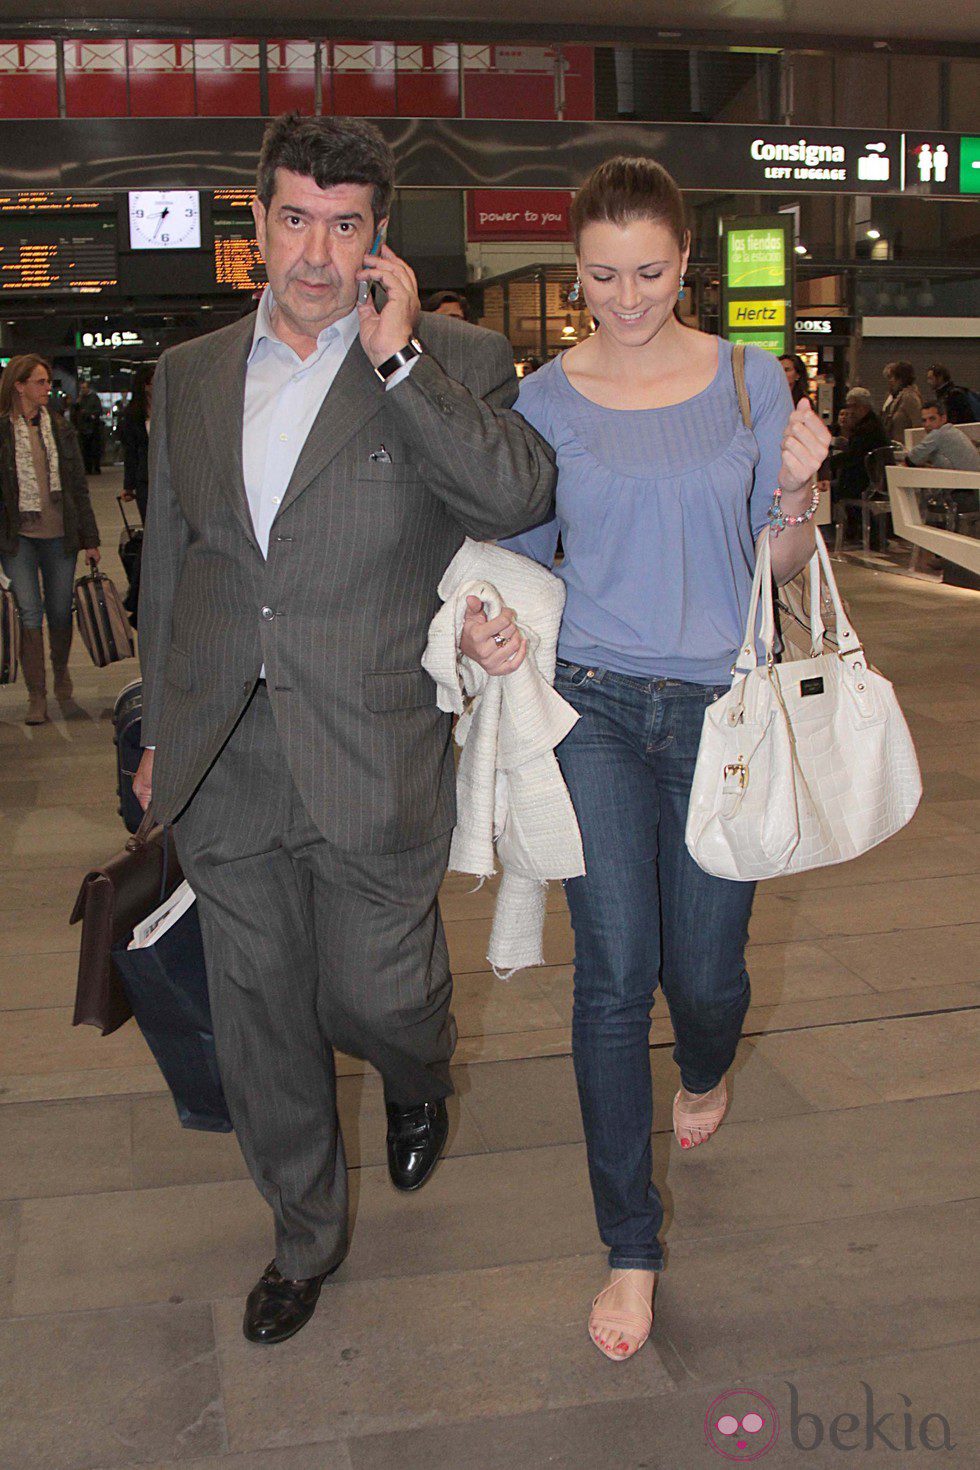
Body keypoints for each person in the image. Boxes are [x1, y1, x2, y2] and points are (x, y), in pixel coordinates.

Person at [132, 112, 556, 1348]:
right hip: (227, 754)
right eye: (297, 220)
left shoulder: (451, 355)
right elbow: (179, 563)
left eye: (348, 225)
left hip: (371, 745)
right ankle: (302, 1237)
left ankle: (418, 1078)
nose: (319, 253)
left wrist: (398, 360)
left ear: (381, 238)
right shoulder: (191, 373)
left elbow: (517, 493)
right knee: (262, 1015)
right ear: (256, 223)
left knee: (379, 996)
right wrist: (163, 721)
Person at [462, 156, 830, 1363]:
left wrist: (798, 494)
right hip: (596, 711)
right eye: (601, 274)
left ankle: (710, 1065)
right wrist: (489, 623)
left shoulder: (745, 379)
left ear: (686, 263)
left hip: (721, 714)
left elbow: (774, 567)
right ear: (575, 269)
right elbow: (514, 562)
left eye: (650, 272)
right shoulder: (545, 400)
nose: (626, 298)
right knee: (615, 975)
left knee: (707, 976)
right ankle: (629, 1244)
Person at [0, 355, 100, 723]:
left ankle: (61, 678)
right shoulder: (2, 431)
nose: (47, 388)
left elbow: (77, 487)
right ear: (19, 385)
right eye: (40, 382)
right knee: (29, 612)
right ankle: (36, 695)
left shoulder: (60, 428)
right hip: (18, 537)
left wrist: (90, 538)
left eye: (47, 382)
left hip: (60, 534)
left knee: (59, 610)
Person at [119, 364, 154, 522]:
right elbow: (130, 451)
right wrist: (129, 485)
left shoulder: (168, 410)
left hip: (169, 479)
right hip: (145, 479)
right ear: (146, 386)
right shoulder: (133, 415)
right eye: (155, 382)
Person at [908, 401, 980, 473]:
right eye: (924, 420)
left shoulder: (938, 433)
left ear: (943, 418)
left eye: (932, 419)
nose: (927, 424)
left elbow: (911, 460)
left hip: (964, 481)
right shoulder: (952, 431)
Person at [880, 361, 922, 442]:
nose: (890, 381)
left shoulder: (909, 397)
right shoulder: (898, 397)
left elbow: (918, 427)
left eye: (892, 377)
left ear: (901, 379)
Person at [72, 379, 104, 475]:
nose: (83, 390)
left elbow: (98, 411)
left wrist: (89, 414)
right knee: (85, 450)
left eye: (84, 388)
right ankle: (88, 468)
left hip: (93, 427)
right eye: (81, 388)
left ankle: (96, 467)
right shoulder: (81, 399)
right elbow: (75, 411)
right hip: (83, 428)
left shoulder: (94, 398)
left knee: (95, 449)